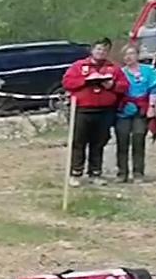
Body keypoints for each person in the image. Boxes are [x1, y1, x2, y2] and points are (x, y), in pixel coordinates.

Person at [64, 38, 128, 185]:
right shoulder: (79, 66)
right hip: (83, 109)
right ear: (92, 50)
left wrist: (112, 85)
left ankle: (95, 173)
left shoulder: (113, 68)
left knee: (99, 142)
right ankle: (76, 173)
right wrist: (85, 80)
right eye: (98, 49)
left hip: (105, 110)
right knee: (79, 142)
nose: (101, 52)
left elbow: (124, 86)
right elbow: (67, 83)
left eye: (104, 50)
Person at [115, 44, 154, 183]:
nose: (129, 57)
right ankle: (122, 172)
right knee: (122, 140)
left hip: (141, 109)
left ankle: (138, 172)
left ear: (137, 55)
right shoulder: (119, 72)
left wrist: (151, 107)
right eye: (126, 54)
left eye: (131, 53)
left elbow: (153, 89)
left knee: (138, 138)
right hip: (123, 111)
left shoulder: (148, 71)